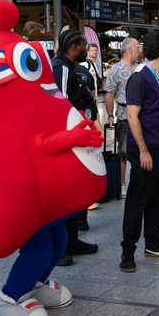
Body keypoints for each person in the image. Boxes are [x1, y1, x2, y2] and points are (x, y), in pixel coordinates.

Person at [120, 28, 159, 273]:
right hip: (146, 149)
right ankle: (128, 250)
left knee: (157, 198)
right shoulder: (140, 77)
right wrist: (143, 151)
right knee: (138, 199)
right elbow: (132, 116)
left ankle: (153, 243)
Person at [52, 30, 99, 260]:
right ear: (73, 47)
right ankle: (60, 246)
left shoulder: (70, 68)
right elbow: (58, 104)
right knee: (62, 196)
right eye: (83, 45)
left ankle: (71, 240)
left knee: (73, 193)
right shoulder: (60, 69)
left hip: (76, 139)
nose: (85, 49)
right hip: (66, 140)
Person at [105, 37, 142, 199]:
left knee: (140, 149)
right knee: (123, 151)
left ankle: (137, 181)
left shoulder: (141, 68)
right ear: (129, 50)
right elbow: (110, 93)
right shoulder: (116, 69)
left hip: (141, 116)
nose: (139, 50)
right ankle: (122, 183)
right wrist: (110, 115)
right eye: (137, 47)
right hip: (123, 115)